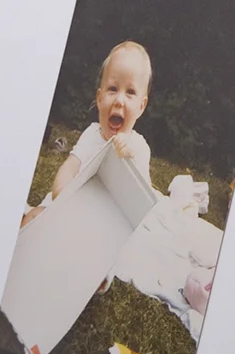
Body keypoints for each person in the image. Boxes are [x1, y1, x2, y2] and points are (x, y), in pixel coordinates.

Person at [22, 40, 154, 226]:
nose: (119, 100)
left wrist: (131, 158)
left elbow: (142, 199)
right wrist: (61, 192)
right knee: (33, 218)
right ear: (99, 98)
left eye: (130, 92)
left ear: (141, 106)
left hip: (99, 225)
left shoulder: (139, 148)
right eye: (113, 89)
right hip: (67, 209)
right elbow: (70, 166)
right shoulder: (92, 134)